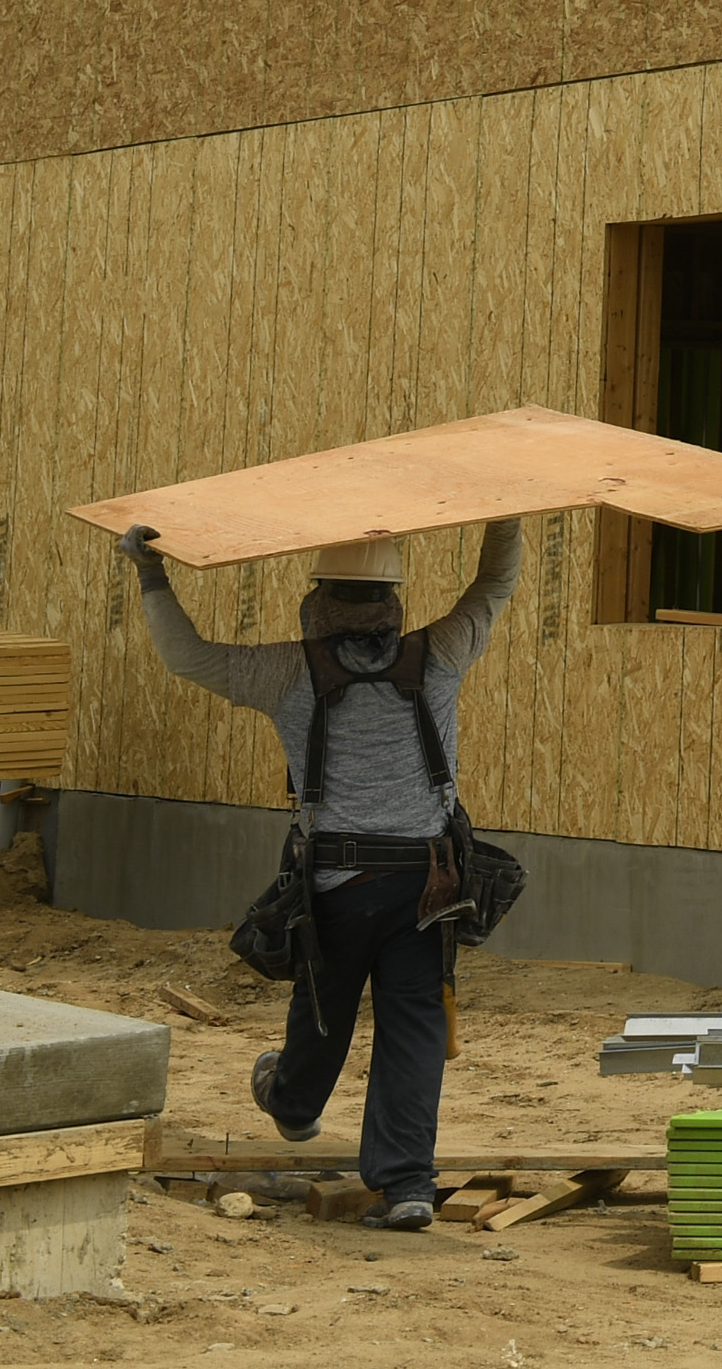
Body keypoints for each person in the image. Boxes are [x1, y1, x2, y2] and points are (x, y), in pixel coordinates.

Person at [119, 519, 523, 1229]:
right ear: (391, 599)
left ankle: (294, 1103)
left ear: (321, 601)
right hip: (429, 884)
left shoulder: (288, 670)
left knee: (323, 1004)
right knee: (415, 1023)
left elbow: (186, 656)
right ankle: (407, 1186)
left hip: (338, 884)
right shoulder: (440, 653)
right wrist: (507, 517)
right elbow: (493, 586)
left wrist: (151, 573)